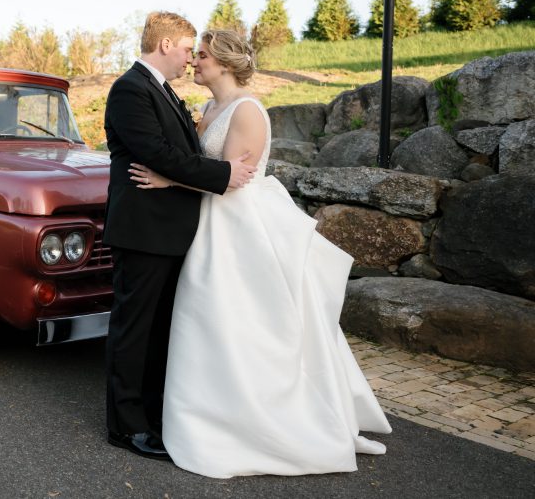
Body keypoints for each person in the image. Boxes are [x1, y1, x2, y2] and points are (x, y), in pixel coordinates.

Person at [129, 29, 392, 478]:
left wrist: (167, 179)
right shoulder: (210, 108)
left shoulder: (247, 110)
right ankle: (210, 412)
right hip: (210, 225)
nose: (195, 62)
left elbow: (228, 177)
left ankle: (264, 421)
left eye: (204, 56)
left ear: (227, 63)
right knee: (211, 323)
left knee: (246, 323)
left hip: (238, 227)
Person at [103, 12, 257, 461]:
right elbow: (158, 154)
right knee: (134, 330)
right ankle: (125, 427)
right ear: (167, 44)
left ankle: (152, 416)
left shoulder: (164, 90)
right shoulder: (130, 89)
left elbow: (176, 154)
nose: (191, 58)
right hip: (144, 229)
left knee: (158, 331)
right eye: (188, 48)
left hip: (170, 232)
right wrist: (224, 173)